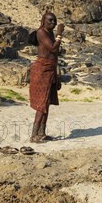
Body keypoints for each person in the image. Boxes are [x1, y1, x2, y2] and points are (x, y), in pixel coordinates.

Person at [29, 11, 64, 143]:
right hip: (42, 70)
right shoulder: (41, 32)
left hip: (50, 69)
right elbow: (53, 49)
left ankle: (42, 133)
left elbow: (54, 56)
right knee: (41, 103)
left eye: (54, 21)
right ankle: (34, 135)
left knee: (47, 102)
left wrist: (57, 75)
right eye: (50, 20)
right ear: (43, 21)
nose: (53, 23)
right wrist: (60, 35)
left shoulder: (50, 33)